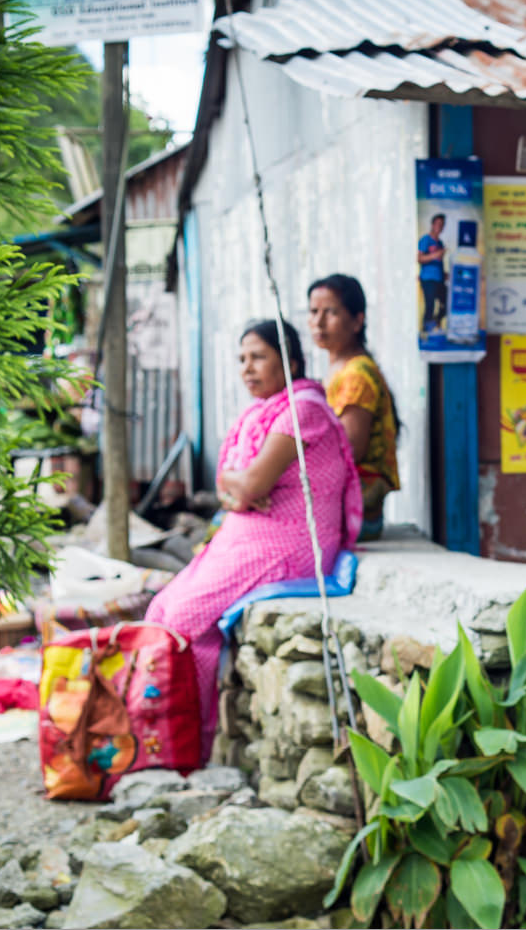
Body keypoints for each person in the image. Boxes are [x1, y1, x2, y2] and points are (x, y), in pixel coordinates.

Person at [144, 318, 361, 763]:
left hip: (290, 542)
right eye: (242, 359)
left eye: (259, 356)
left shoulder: (304, 411)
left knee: (184, 620)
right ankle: (160, 733)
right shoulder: (265, 413)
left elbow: (245, 488)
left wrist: (238, 488)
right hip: (245, 535)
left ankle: (188, 746)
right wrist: (236, 486)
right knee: (161, 608)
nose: (247, 368)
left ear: (291, 362)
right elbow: (231, 486)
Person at [307, 273, 401, 540]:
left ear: (357, 320)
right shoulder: (338, 371)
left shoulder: (356, 376)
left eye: (331, 312)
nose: (318, 322)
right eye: (314, 312)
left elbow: (347, 453)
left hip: (356, 511)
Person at [417, 213, 447, 333]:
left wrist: (445, 273)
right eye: (438, 224)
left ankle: (435, 322)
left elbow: (438, 262)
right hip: (428, 279)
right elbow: (419, 258)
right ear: (433, 225)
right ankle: (426, 330)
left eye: (442, 225)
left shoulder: (440, 243)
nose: (439, 227)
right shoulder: (425, 240)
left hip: (439, 279)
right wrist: (436, 254)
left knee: (446, 303)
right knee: (430, 305)